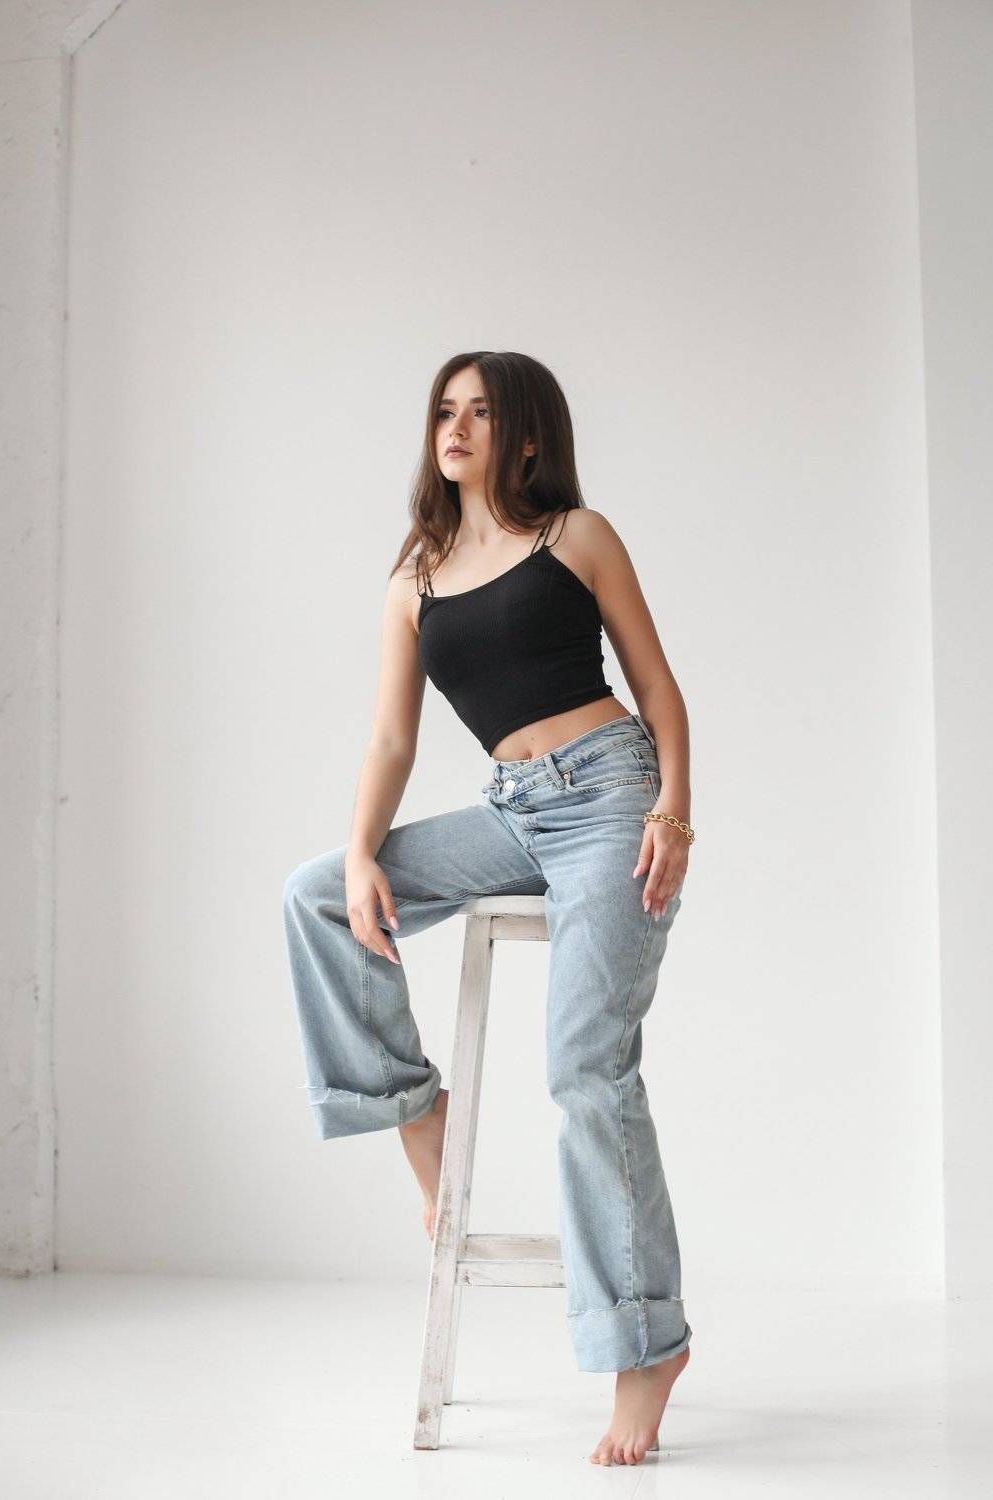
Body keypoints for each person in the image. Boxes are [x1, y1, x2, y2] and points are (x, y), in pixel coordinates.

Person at [282, 350, 696, 1466]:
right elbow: (391, 737)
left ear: (526, 436)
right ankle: (414, 1107)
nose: (455, 427)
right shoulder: (414, 576)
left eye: (481, 412)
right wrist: (361, 854)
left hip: (610, 798)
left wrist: (674, 812)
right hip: (511, 809)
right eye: (444, 410)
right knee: (315, 894)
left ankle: (644, 1347)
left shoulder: (576, 536)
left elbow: (656, 686)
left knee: (584, 1070)